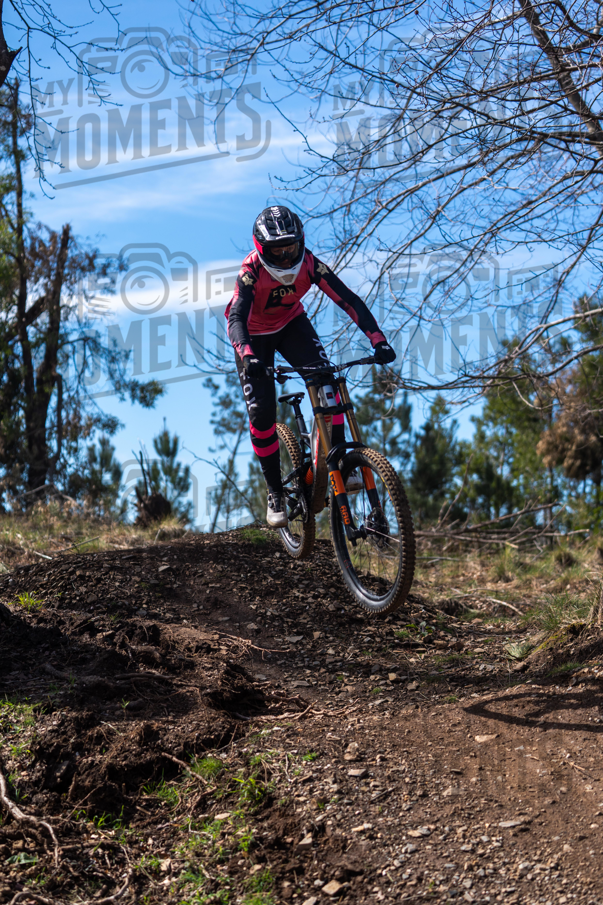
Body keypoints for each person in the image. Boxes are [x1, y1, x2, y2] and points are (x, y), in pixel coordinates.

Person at [226, 205, 396, 528]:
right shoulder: (250, 272)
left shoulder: (310, 264)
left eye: (290, 248)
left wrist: (378, 339)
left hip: (291, 325)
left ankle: (341, 460)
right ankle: (275, 491)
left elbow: (348, 299)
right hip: (253, 335)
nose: (285, 257)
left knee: (328, 382)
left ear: (301, 242)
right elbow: (236, 317)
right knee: (262, 414)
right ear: (262, 249)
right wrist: (247, 355)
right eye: (277, 251)